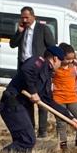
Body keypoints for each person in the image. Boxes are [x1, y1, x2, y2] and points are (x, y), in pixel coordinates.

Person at [0, 43, 65, 153]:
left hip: (23, 106)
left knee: (26, 140)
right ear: (55, 59)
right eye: (60, 63)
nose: (60, 66)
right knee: (27, 139)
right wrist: (33, 92)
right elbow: (26, 70)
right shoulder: (39, 61)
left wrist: (70, 117)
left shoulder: (47, 75)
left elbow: (49, 101)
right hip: (13, 103)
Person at [13, 7, 55, 137]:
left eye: (27, 17)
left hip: (39, 71)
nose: (24, 20)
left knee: (41, 101)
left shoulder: (43, 29)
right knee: (27, 100)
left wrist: (46, 66)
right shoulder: (21, 29)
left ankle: (42, 132)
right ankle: (30, 129)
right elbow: (12, 44)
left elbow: (52, 48)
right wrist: (19, 32)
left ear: (33, 17)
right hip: (24, 71)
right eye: (22, 17)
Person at [51, 47, 77, 151]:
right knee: (61, 122)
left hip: (73, 97)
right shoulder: (54, 67)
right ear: (60, 58)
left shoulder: (76, 66)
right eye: (67, 59)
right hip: (58, 98)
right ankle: (62, 145)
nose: (70, 61)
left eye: (72, 59)